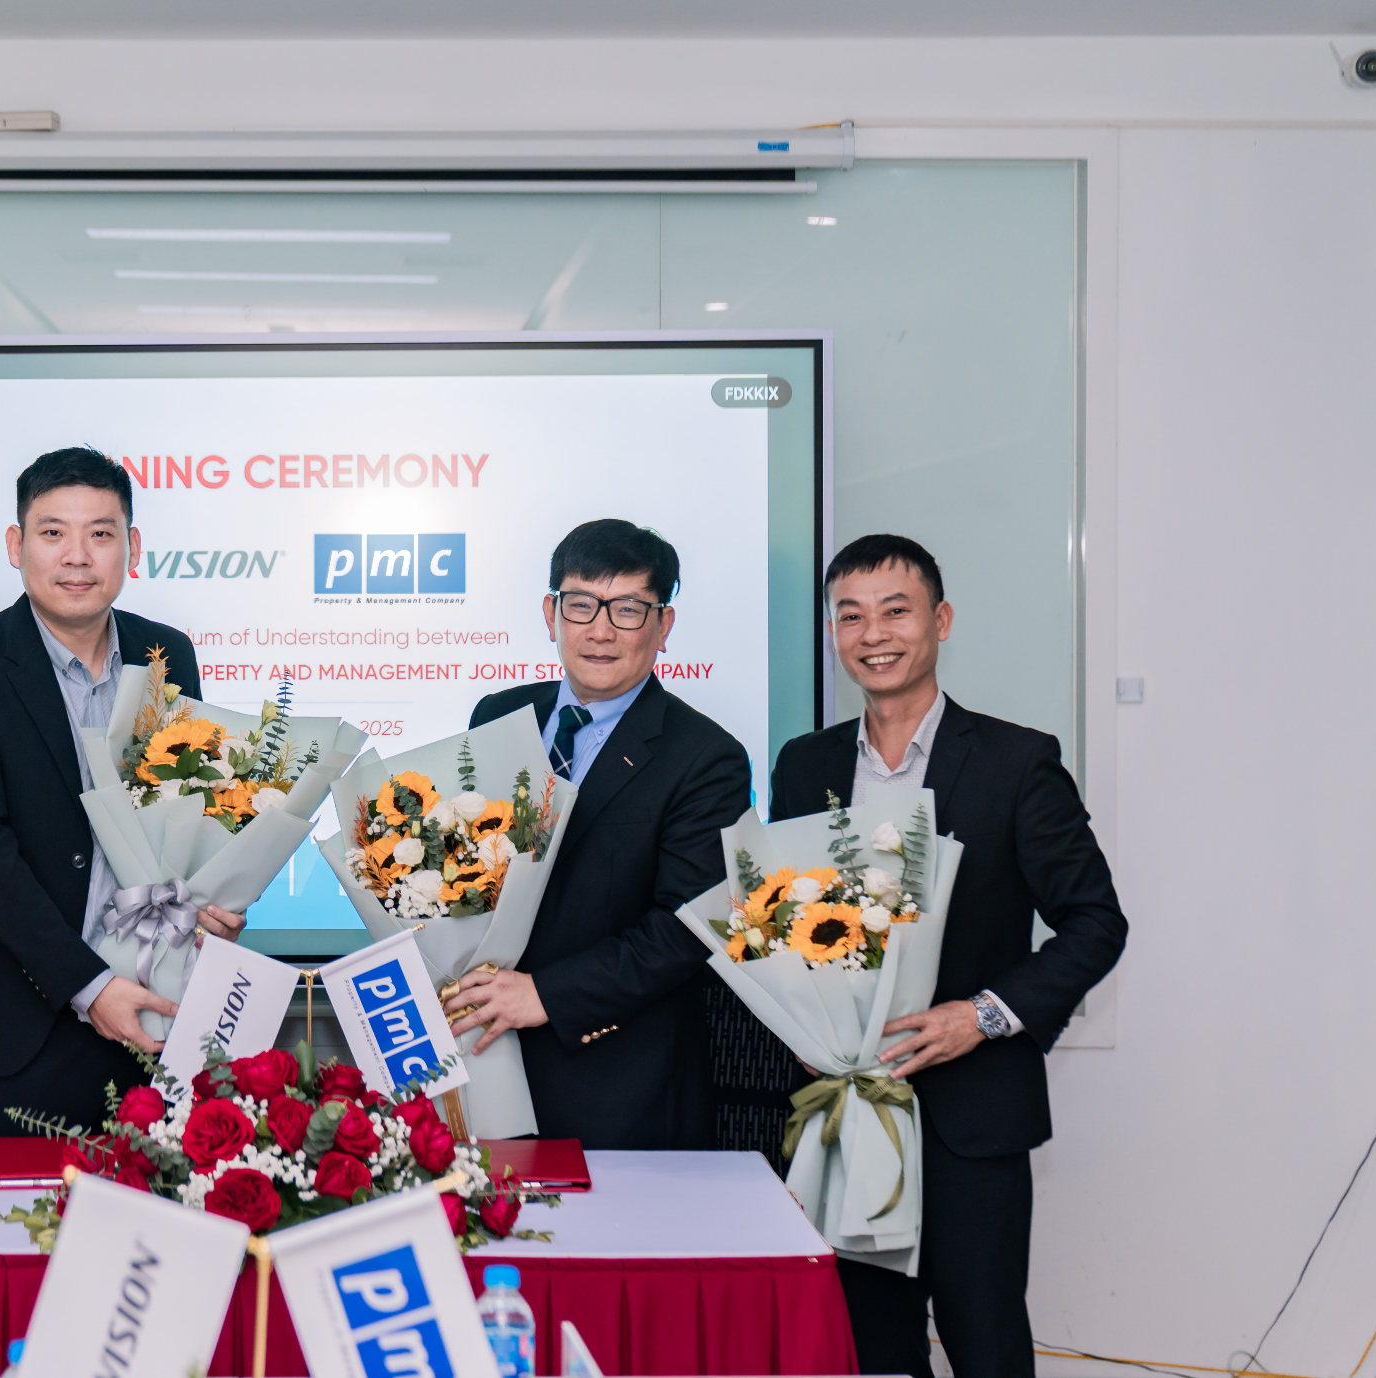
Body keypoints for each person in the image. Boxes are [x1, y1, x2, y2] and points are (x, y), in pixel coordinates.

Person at [769, 533, 1127, 1378]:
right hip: (849, 1117)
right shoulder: (805, 764)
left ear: (941, 620)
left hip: (973, 1116)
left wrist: (982, 1016)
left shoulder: (1017, 761)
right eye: (850, 616)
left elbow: (1094, 923)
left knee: (986, 1346)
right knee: (871, 1354)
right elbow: (781, 918)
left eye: (895, 611)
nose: (873, 634)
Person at [0, 445, 248, 1139]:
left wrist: (209, 900)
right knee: (14, 1214)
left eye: (100, 533)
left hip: (156, 1016)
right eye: (53, 532)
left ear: (132, 547)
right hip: (20, 1031)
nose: (77, 556)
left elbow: (188, 808)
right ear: (16, 545)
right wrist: (90, 986)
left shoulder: (169, 655)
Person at [444, 519, 752, 1149]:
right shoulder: (498, 714)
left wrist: (546, 994)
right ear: (551, 614)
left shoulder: (707, 756)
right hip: (479, 1053)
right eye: (581, 604)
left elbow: (687, 927)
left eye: (628, 609)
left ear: (663, 625)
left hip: (617, 1083)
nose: (600, 630)